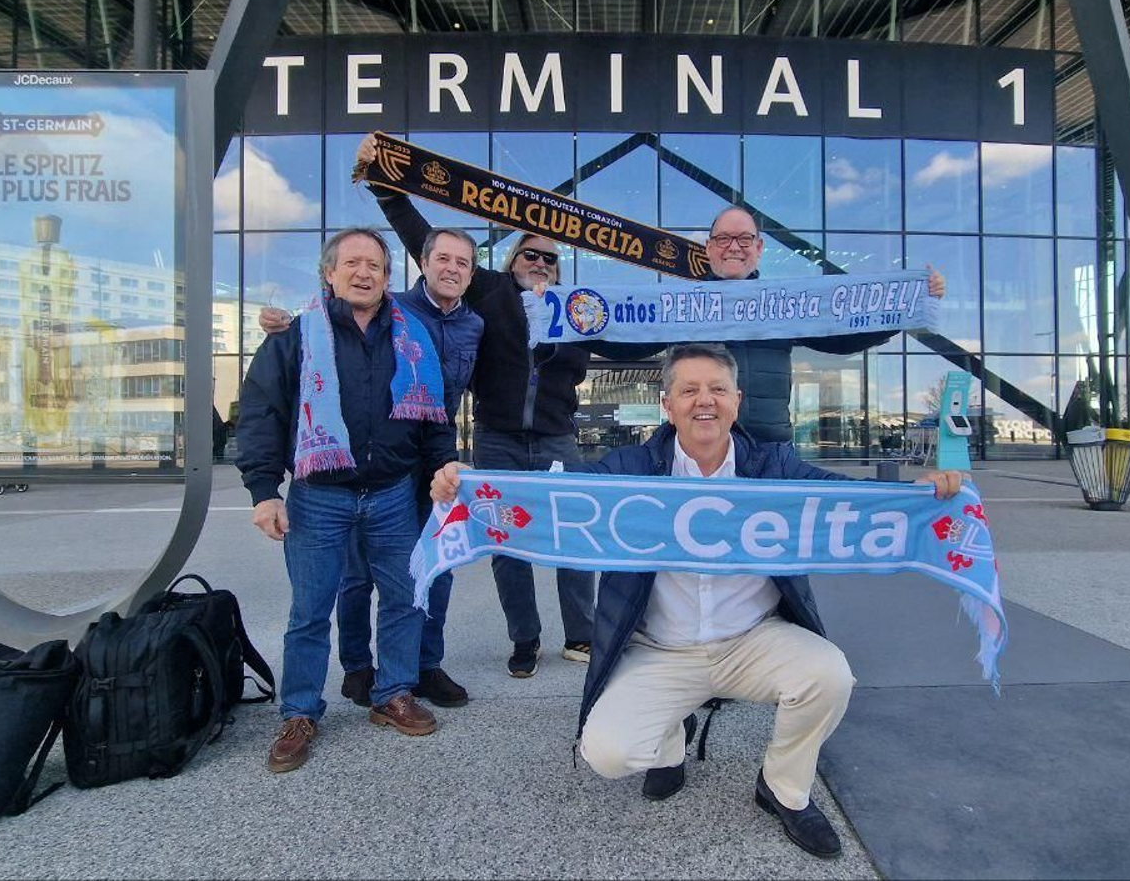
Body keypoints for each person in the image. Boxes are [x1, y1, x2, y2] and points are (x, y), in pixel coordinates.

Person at [429, 343, 964, 857]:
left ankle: (784, 788)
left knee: (830, 676)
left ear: (737, 401)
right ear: (667, 405)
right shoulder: (631, 466)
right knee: (609, 755)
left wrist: (919, 495)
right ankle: (671, 738)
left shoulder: (773, 465)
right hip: (661, 649)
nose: (704, 400)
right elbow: (552, 493)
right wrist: (472, 483)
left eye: (717, 389)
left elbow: (848, 500)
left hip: (752, 640)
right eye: (688, 390)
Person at [263, 133, 595, 680]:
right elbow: (413, 250)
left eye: (549, 258)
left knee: (556, 538)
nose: (539, 262)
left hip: (538, 439)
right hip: (471, 443)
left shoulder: (581, 312)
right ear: (510, 261)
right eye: (529, 253)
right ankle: (380, 665)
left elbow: (643, 329)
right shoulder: (476, 297)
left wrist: (709, 307)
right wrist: (385, 186)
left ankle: (563, 637)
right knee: (475, 546)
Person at [237, 227, 459, 774]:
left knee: (405, 599)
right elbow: (261, 414)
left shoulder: (413, 337)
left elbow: (435, 419)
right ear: (329, 273)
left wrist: (443, 468)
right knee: (309, 611)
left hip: (393, 494)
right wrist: (264, 492)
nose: (364, 273)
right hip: (318, 497)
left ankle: (393, 693)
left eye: (375, 266)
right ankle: (299, 713)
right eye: (352, 263)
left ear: (387, 277)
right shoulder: (294, 336)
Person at [590, 206, 947, 444]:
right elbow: (628, 344)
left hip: (770, 450)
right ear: (709, 249)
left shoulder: (785, 304)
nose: (734, 247)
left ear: (759, 248)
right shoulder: (681, 307)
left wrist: (907, 308)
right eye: (723, 239)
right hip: (701, 451)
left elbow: (841, 339)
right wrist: (570, 325)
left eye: (744, 239)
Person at [336, 227, 484, 712]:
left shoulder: (474, 325)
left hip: (438, 460)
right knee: (360, 574)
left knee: (438, 566)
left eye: (462, 262)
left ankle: (425, 665)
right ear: (423, 263)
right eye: (443, 258)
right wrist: (278, 324)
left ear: (471, 273)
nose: (452, 269)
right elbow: (331, 321)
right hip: (385, 461)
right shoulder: (391, 307)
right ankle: (359, 667)